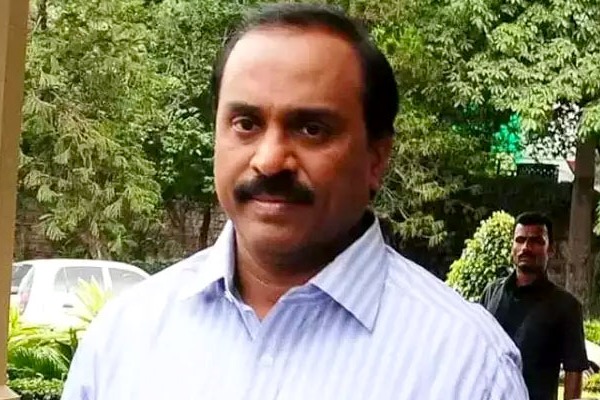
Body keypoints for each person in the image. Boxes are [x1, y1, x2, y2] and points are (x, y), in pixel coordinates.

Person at [61, 4, 528, 399]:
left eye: (311, 129)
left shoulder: (466, 366)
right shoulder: (124, 338)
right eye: (246, 124)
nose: (269, 161)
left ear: (376, 159)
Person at [480, 212, 588, 400]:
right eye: (520, 240)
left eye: (536, 241)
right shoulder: (491, 293)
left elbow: (574, 370)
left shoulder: (565, 306)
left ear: (550, 249)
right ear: (512, 246)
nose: (526, 248)